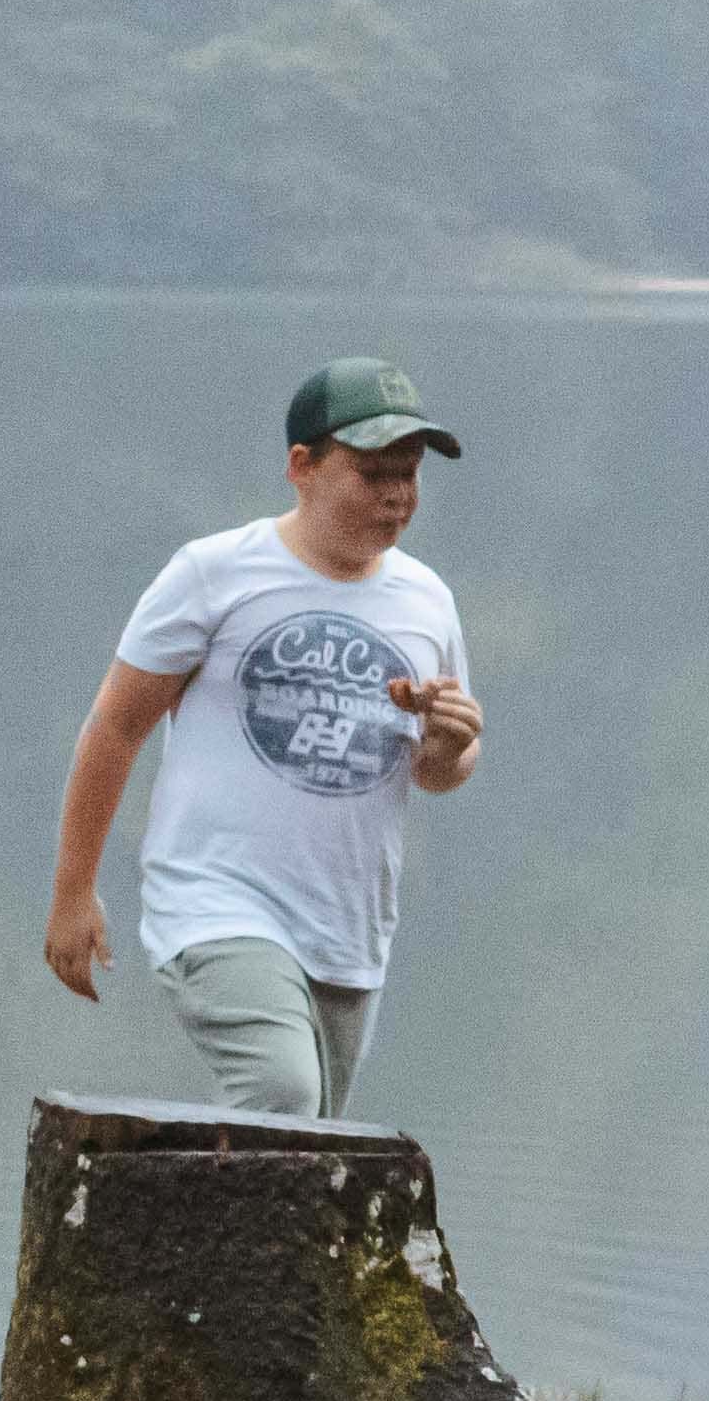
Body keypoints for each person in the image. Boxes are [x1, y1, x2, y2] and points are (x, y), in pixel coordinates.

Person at [42, 356, 486, 1119]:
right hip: (217, 902)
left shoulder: (426, 600)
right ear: (301, 467)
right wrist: (72, 892)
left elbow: (436, 769)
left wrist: (450, 748)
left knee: (312, 1145)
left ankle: (185, 1201)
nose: (397, 495)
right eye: (373, 473)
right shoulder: (214, 574)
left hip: (348, 924)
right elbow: (115, 728)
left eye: (409, 474)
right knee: (282, 1093)